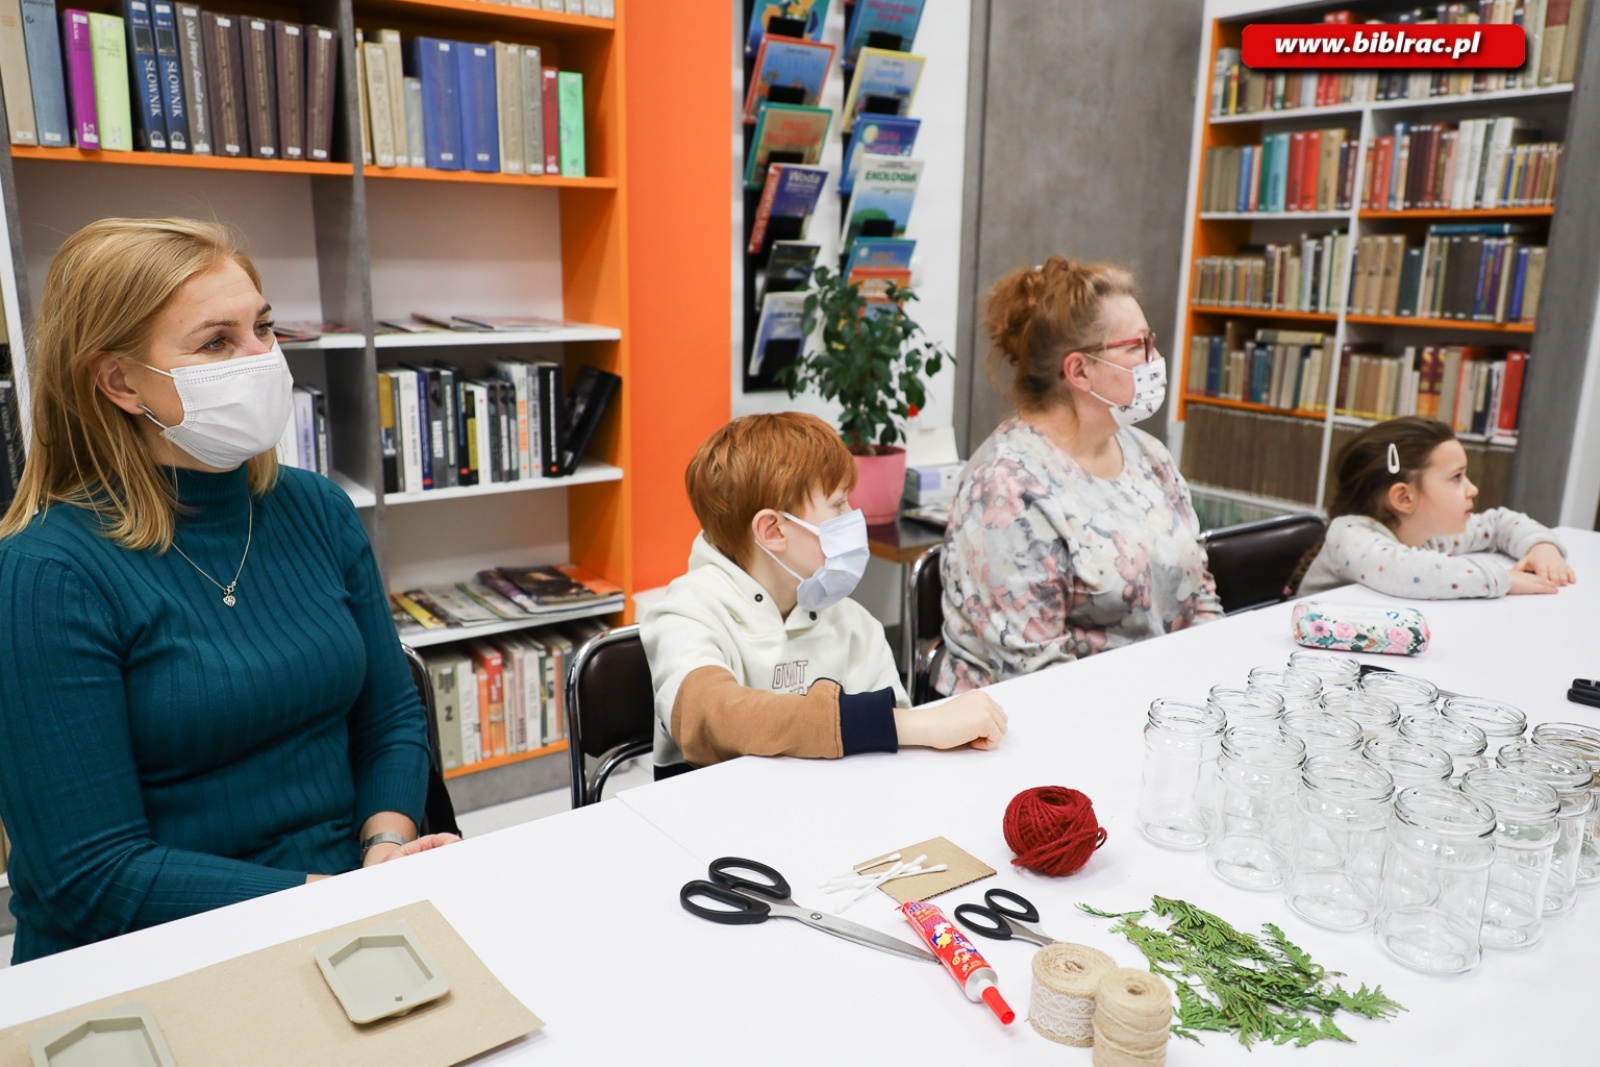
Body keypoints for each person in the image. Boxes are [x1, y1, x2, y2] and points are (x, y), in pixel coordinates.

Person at [0, 218, 456, 964]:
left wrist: (384, 842)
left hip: (349, 901)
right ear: (119, 381)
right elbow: (87, 873)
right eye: (217, 342)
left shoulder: (317, 508)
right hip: (154, 951)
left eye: (264, 328)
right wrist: (322, 896)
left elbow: (391, 714)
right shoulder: (47, 575)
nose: (262, 358)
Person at [642, 413, 1007, 778]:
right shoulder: (685, 614)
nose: (853, 517)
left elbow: (889, 760)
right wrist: (916, 725)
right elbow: (712, 716)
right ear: (772, 530)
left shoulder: (852, 622)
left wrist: (897, 729)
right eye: (837, 505)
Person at [938, 257, 1222, 695]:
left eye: (1153, 342)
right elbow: (1036, 676)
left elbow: (1199, 593)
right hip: (1036, 726)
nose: (1156, 360)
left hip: (1162, 707)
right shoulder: (1005, 488)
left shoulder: (1148, 454)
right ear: (1079, 370)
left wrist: (1206, 687)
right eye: (1138, 347)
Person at [1291, 416, 1573, 598]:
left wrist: (1541, 548)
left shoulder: (1430, 531)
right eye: (1456, 477)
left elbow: (1499, 523)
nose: (1472, 489)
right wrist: (1502, 580)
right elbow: (1407, 572)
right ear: (1404, 498)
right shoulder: (1349, 535)